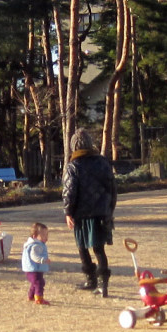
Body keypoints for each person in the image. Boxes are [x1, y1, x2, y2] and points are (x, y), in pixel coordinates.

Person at [62, 127, 116, 297]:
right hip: (101, 213)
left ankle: (90, 279)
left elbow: (69, 191)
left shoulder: (73, 166)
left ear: (74, 146)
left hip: (82, 214)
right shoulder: (103, 162)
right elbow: (112, 189)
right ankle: (103, 284)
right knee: (99, 249)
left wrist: (68, 212)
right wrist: (109, 210)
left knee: (82, 246)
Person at [21, 222, 51, 305]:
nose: (46, 237)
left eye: (47, 235)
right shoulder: (36, 245)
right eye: (43, 235)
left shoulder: (37, 244)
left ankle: (31, 296)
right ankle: (38, 298)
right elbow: (34, 256)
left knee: (35, 282)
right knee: (39, 283)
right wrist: (43, 260)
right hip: (33, 268)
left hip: (33, 268)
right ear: (34, 236)